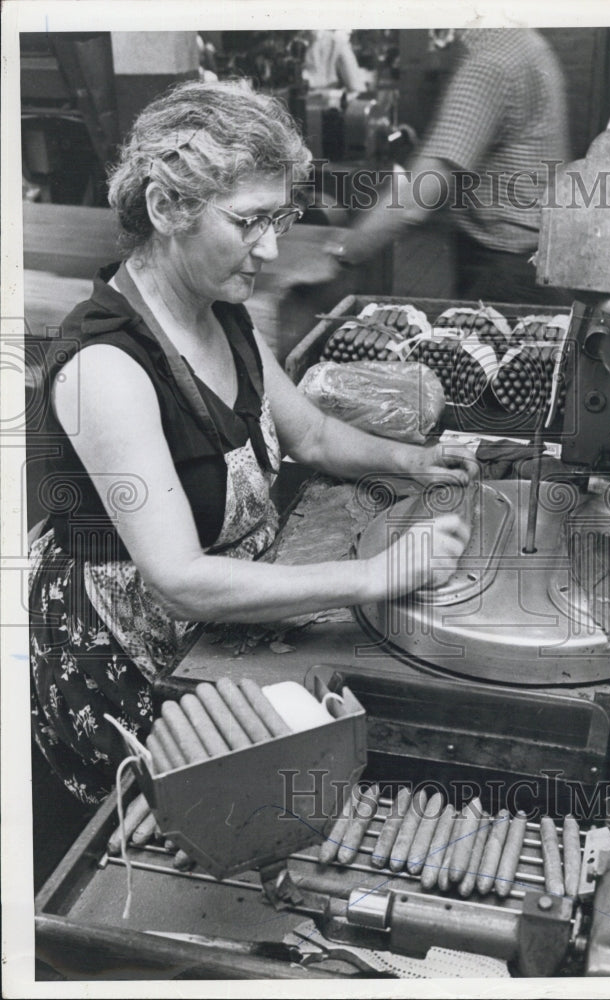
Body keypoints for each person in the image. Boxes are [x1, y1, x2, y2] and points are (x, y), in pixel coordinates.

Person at [28, 79, 473, 805]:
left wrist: (414, 462)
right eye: (250, 221)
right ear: (167, 208)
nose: (272, 247)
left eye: (282, 217)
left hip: (217, 629)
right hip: (129, 663)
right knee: (178, 829)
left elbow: (316, 436)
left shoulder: (221, 311)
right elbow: (179, 578)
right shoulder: (105, 367)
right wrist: (375, 576)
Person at [319, 28, 573, 304]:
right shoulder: (529, 43)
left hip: (506, 270)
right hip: (541, 256)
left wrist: (343, 252)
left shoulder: (488, 63)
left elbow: (417, 196)